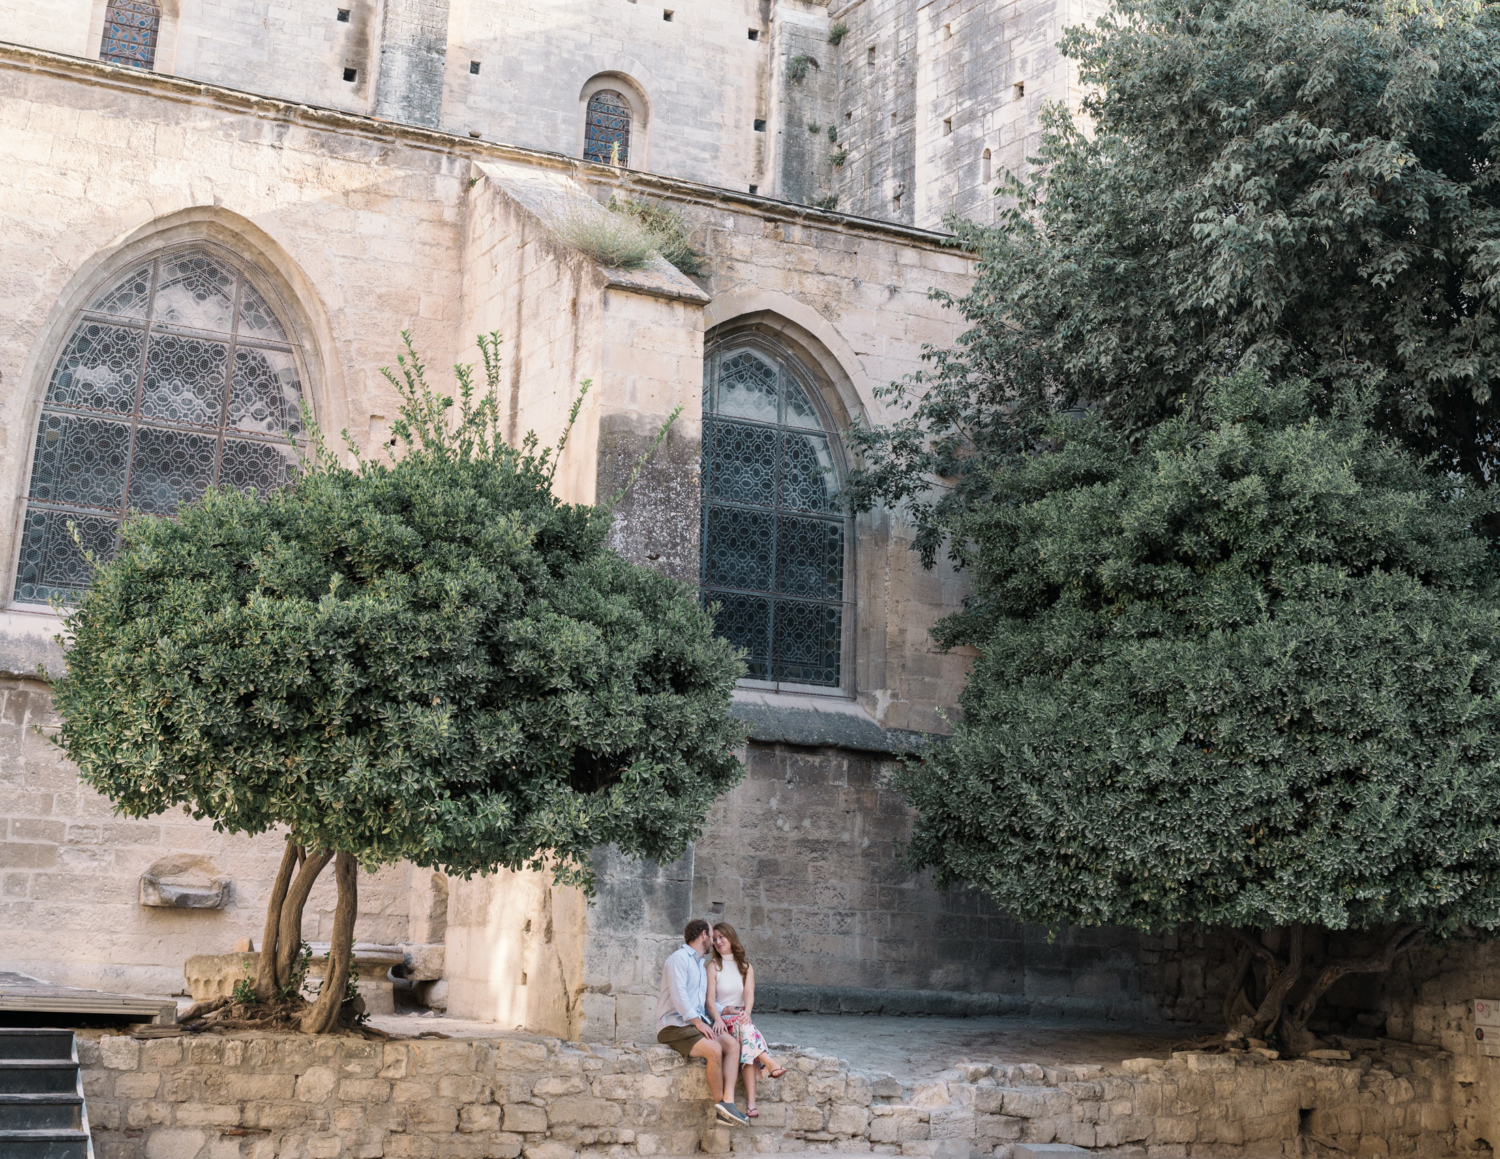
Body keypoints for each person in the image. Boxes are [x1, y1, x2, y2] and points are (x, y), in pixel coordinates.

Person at [656, 918, 750, 1126]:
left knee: (732, 1045)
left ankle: (729, 1102)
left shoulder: (699, 963)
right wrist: (699, 1023)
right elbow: (680, 997)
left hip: (694, 1023)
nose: (714, 942)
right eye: (711, 935)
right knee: (714, 1049)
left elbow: (699, 1001)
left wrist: (722, 1010)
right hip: (674, 1026)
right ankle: (722, 1108)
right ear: (703, 936)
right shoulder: (678, 959)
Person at [707, 922, 787, 1119]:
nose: (717, 942)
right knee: (747, 1032)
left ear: (731, 937)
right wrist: (717, 1019)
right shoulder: (713, 966)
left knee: (747, 1042)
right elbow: (709, 1000)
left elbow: (749, 994)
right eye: (714, 939)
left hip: (742, 1019)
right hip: (722, 1019)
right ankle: (768, 1063)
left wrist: (748, 1012)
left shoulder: (746, 967)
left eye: (721, 937)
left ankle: (751, 1104)